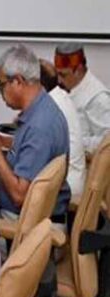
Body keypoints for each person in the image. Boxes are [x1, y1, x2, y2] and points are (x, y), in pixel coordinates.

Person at [0, 45, 70, 222]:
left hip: (22, 222)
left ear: (18, 81)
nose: (0, 93)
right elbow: (28, 156)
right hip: (36, 215)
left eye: (1, 85)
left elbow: (19, 196)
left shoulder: (39, 127)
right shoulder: (43, 107)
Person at [41, 59, 87, 198]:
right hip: (74, 177)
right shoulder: (61, 96)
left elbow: (35, 153)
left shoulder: (50, 107)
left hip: (65, 185)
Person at [55, 43, 110, 157]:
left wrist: (75, 142)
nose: (59, 81)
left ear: (79, 69)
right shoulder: (68, 89)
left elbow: (107, 142)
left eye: (63, 75)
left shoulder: (98, 98)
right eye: (57, 74)